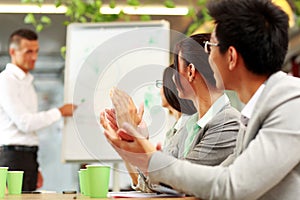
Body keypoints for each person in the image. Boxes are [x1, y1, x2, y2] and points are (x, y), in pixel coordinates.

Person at [101, 0, 300, 199]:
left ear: (231, 56)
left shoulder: (291, 104)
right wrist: (144, 154)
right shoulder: (256, 112)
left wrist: (151, 158)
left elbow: (232, 186)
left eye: (211, 47)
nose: (208, 58)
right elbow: (215, 179)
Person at [0, 28, 77, 191]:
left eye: (36, 51)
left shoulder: (27, 82)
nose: (34, 57)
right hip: (12, 158)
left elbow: (28, 133)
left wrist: (36, 167)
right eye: (28, 52)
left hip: (27, 156)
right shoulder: (5, 81)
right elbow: (25, 123)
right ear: (13, 51)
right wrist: (60, 112)